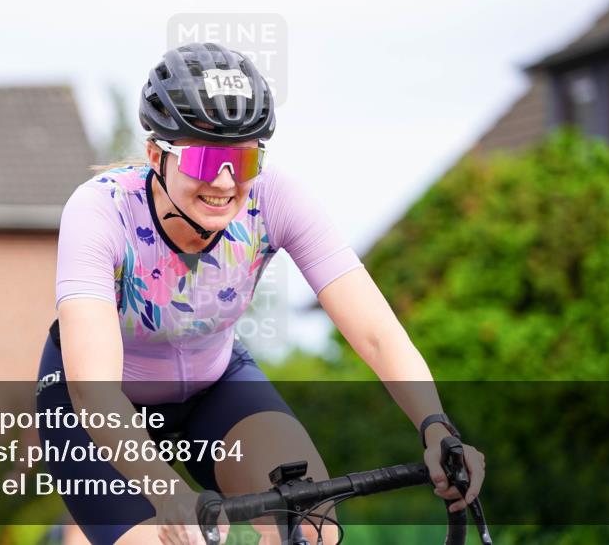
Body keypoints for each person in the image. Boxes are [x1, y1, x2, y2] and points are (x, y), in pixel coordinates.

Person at [36, 42, 485, 545]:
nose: (225, 181)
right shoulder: (100, 211)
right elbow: (94, 390)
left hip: (213, 385)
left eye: (244, 158)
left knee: (312, 524)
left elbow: (377, 333)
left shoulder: (275, 198)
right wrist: (169, 493)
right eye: (206, 158)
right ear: (156, 155)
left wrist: (436, 427)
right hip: (98, 404)